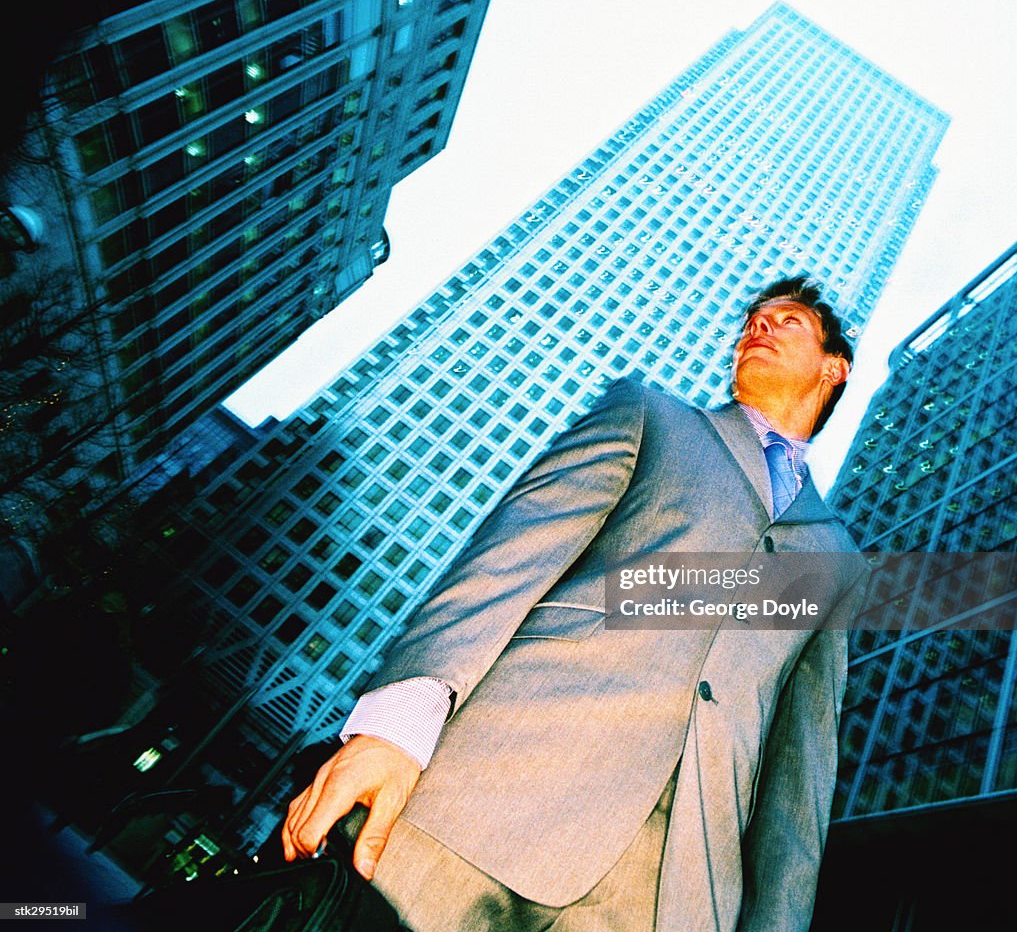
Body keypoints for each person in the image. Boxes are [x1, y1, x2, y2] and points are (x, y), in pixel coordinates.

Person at [282, 275, 865, 931]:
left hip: (669, 893)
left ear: (833, 366)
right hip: (491, 787)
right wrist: (393, 726)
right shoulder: (652, 416)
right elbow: (511, 553)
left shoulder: (836, 558)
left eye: (785, 320)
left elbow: (802, 766)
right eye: (751, 320)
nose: (756, 326)